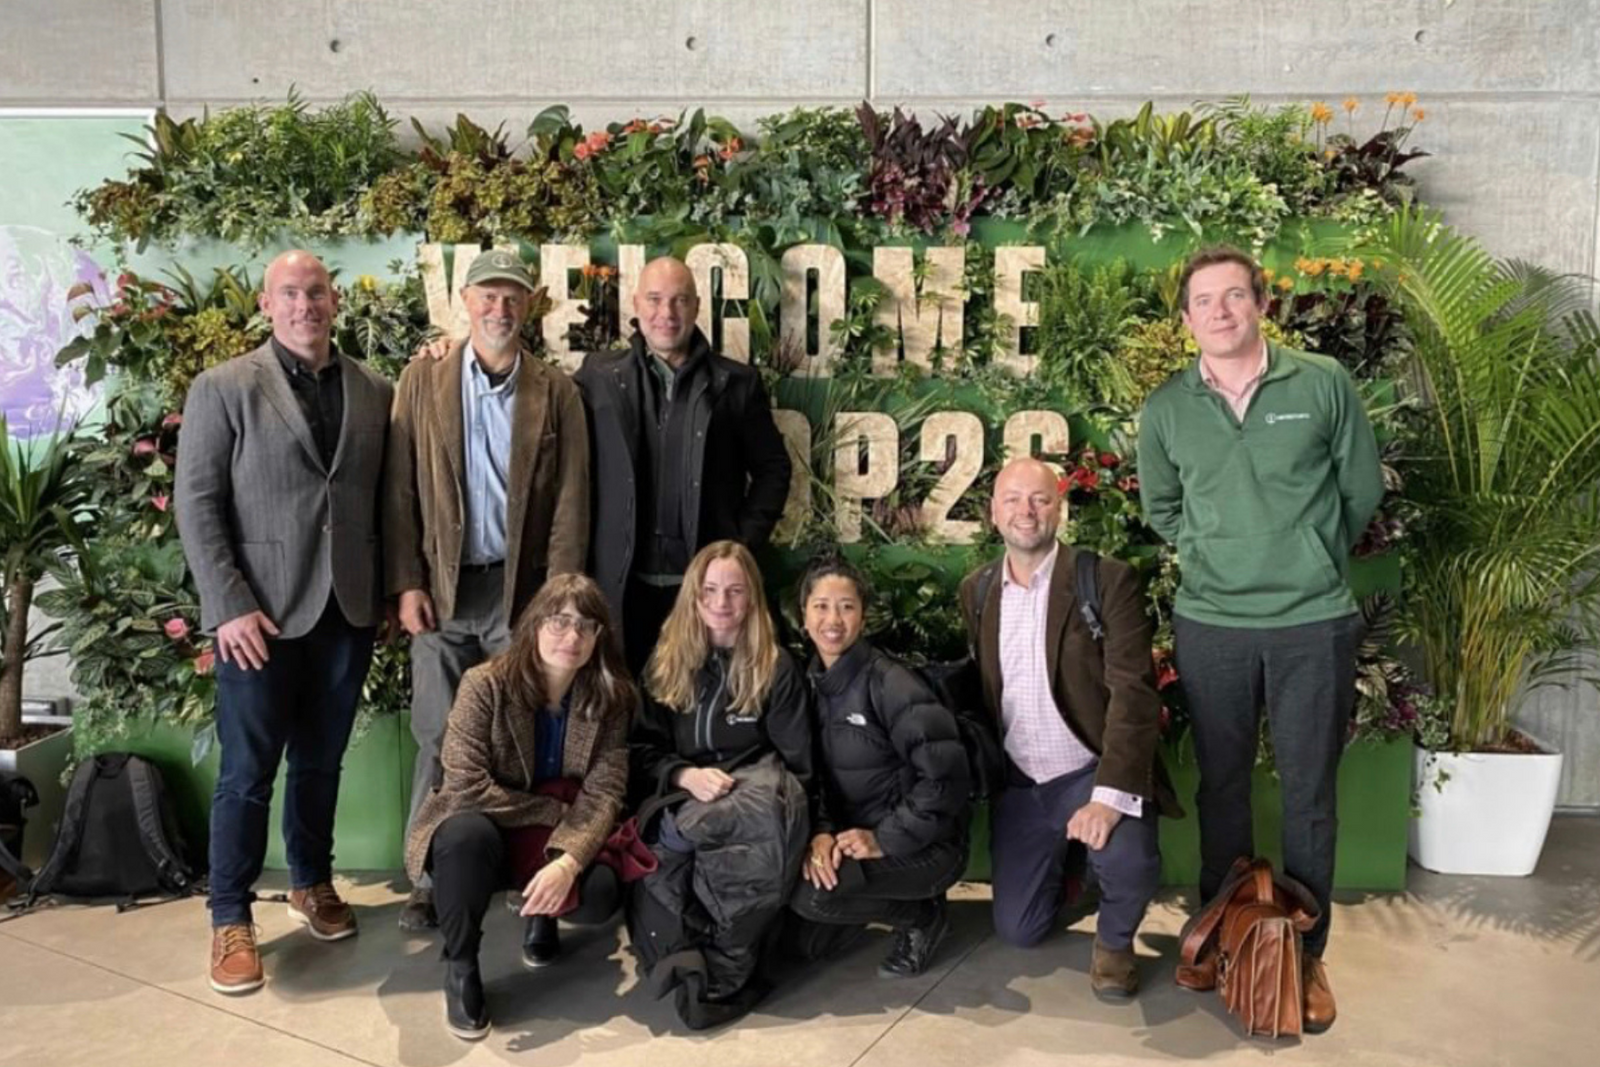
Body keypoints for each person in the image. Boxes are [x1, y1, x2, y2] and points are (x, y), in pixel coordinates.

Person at [1136, 246, 1384, 1032]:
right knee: (1223, 787)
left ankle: (1306, 958)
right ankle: (1226, 935)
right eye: (1203, 301)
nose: (1219, 311)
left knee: (1310, 795)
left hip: (1313, 620)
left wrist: (1302, 554)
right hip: (1212, 623)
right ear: (1187, 320)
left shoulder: (1321, 386)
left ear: (1260, 305)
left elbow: (1359, 490)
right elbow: (1163, 509)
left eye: (1233, 296)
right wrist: (1222, 555)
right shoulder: (1167, 408)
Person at [175, 250, 393, 995]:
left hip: (347, 611)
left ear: (335, 301)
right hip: (257, 619)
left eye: (318, 292)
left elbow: (383, 501)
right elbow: (197, 505)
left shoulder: (374, 390)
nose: (306, 305)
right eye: (290, 293)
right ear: (267, 305)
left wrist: (390, 591)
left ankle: (310, 881)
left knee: (322, 762)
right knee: (245, 773)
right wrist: (228, 604)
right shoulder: (225, 387)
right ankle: (230, 913)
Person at [386, 249, 590, 930]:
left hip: (518, 595)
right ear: (464, 303)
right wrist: (407, 581)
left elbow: (569, 500)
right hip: (441, 593)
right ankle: (428, 873)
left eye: (512, 298)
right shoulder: (422, 379)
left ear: (528, 307)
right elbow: (400, 489)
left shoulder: (555, 389)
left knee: (519, 732)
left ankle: (521, 863)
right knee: (438, 732)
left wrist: (557, 599)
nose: (499, 310)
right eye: (487, 297)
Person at [960, 457, 1175, 999]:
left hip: (1088, 768)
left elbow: (1135, 694)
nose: (1025, 512)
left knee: (1130, 860)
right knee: (1020, 929)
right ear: (993, 513)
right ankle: (1077, 870)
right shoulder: (978, 590)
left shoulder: (1104, 580)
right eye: (1012, 499)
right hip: (1023, 782)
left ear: (1060, 508)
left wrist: (1108, 797)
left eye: (1039, 499)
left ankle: (1114, 940)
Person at [403, 573, 634, 1041]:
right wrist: (551, 814)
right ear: (533, 624)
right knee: (462, 837)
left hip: (552, 831)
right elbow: (466, 786)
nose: (572, 636)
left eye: (586, 626)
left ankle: (541, 913)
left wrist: (568, 863)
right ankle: (461, 965)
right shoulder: (484, 685)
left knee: (600, 891)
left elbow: (605, 792)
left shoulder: (609, 698)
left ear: (598, 638)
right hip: (486, 819)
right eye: (559, 621)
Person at [573, 256, 792, 677]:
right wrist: (451, 347)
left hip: (704, 592)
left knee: (698, 715)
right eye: (654, 300)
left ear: (695, 307)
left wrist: (740, 544)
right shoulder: (598, 376)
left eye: (679, 301)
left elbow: (773, 469)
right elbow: (540, 404)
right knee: (624, 710)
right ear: (636, 305)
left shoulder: (736, 383)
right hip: (621, 586)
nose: (666, 314)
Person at [627, 540, 811, 1028]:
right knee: (662, 874)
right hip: (683, 794)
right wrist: (684, 775)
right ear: (693, 595)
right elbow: (640, 752)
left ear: (751, 597)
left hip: (754, 795)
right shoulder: (666, 662)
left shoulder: (777, 668)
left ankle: (724, 968)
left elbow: (799, 767)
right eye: (709, 590)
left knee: (763, 804)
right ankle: (689, 958)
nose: (721, 604)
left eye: (734, 591)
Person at [791, 556, 970, 979]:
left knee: (812, 897)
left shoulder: (891, 683)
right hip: (854, 839)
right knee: (804, 935)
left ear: (864, 617)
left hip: (925, 845)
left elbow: (946, 776)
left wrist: (884, 839)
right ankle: (867, 905)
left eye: (846, 606)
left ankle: (923, 916)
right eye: (821, 606)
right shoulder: (809, 685)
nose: (832, 619)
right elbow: (810, 775)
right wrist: (820, 831)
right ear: (803, 616)